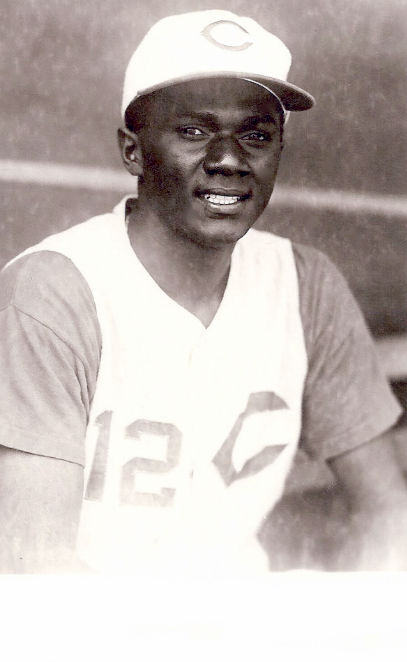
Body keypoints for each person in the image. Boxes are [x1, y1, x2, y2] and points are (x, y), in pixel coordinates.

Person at [0, 9, 406, 574]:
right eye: (194, 131)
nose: (230, 160)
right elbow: (34, 572)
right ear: (132, 150)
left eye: (256, 135)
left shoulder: (306, 287)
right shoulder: (54, 293)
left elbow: (388, 513)